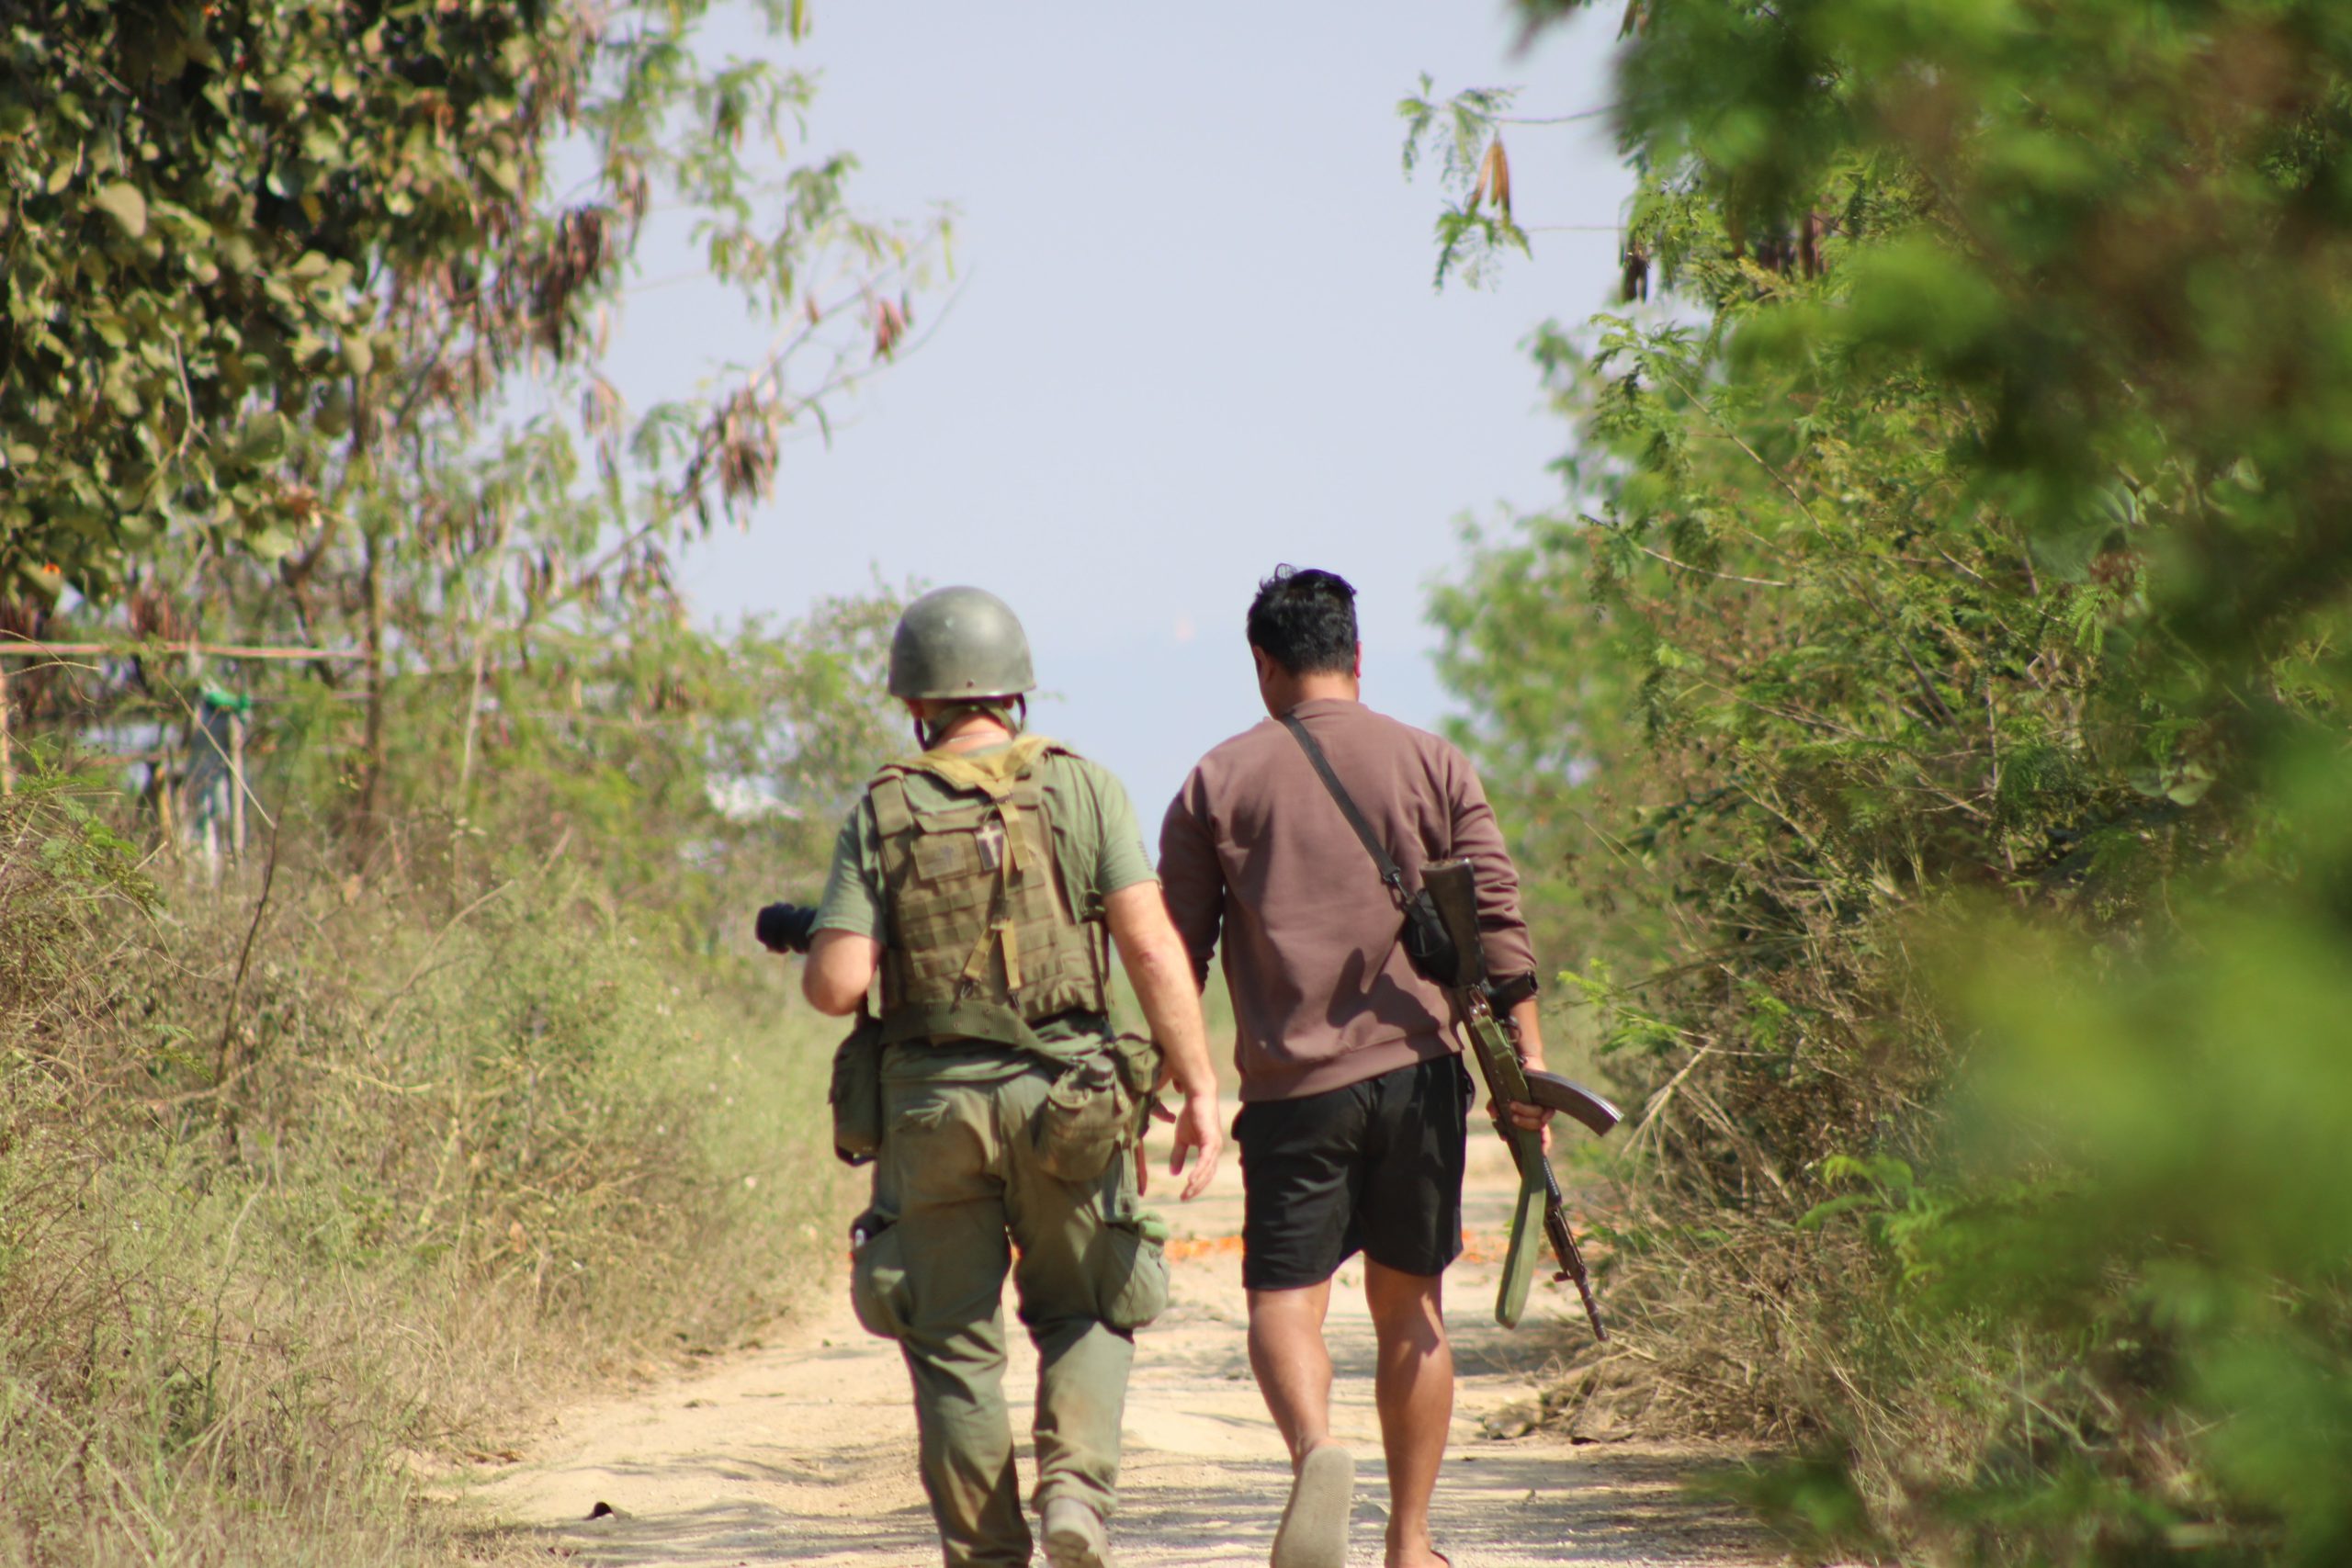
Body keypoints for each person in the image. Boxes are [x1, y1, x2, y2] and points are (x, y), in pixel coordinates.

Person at [797, 585, 1224, 1568]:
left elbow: (839, 984)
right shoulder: (1086, 788)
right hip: (1071, 1103)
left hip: (932, 1111)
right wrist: (1200, 1086)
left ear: (916, 702)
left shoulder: (882, 808)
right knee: (1089, 1306)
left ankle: (989, 1556)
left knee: (952, 1343)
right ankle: (1074, 1493)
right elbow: (1150, 947)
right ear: (1016, 693)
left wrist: (820, 936)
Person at [1156, 566, 1555, 1568]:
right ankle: (1411, 1542)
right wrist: (1529, 1070)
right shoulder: (1433, 761)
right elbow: (1498, 923)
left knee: (1285, 1299)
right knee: (1411, 1308)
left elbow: (1174, 952)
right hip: (1420, 1076)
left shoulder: (1216, 782)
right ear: (1357, 657)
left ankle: (1315, 1451)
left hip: (1293, 1088)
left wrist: (1183, 1076)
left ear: (1263, 664)